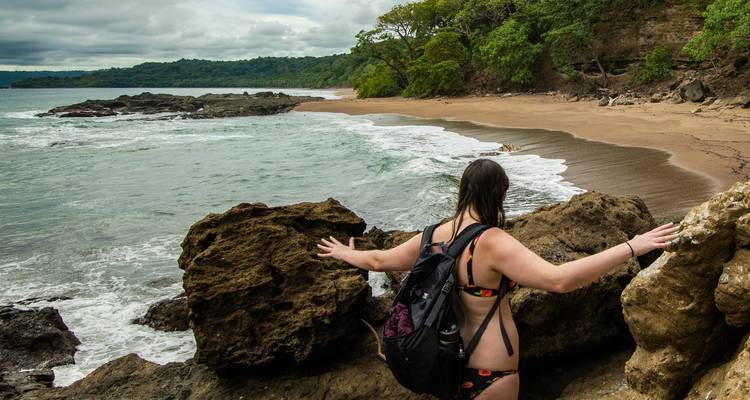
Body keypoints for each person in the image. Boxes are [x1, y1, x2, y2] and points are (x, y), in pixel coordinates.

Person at [316, 159, 677, 400]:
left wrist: (346, 254)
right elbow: (559, 280)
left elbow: (379, 260)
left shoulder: (431, 235)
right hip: (491, 371)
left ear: (463, 191)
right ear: (499, 195)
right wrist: (632, 246)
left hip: (444, 365)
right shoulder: (491, 241)